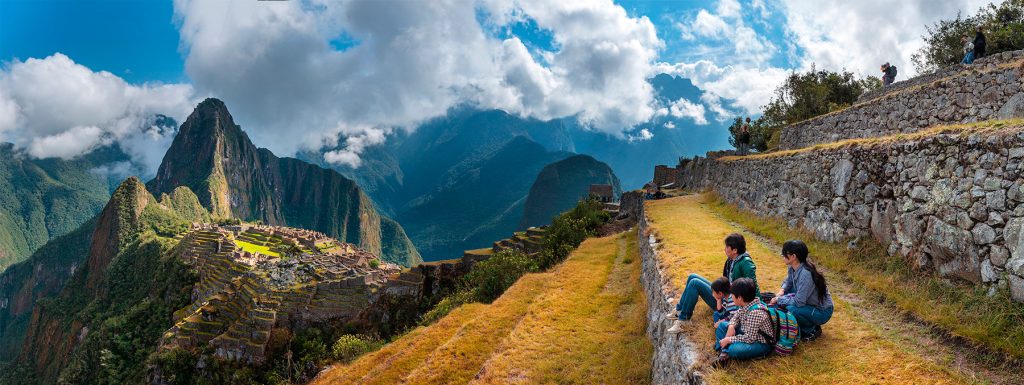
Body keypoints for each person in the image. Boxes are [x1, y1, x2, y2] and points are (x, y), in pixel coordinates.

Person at [667, 233, 759, 333]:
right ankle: (680, 310)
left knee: (694, 283)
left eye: (727, 247)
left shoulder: (745, 263)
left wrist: (756, 307)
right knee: (692, 276)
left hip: (729, 302)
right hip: (725, 294)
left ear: (735, 250)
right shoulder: (733, 259)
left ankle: (684, 320)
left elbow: (752, 286)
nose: (725, 249)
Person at [770, 240, 834, 341]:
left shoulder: (805, 274)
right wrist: (782, 290)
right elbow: (789, 281)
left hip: (822, 311)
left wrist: (779, 299)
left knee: (792, 309)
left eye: (784, 254)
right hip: (810, 303)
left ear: (793, 257)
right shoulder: (793, 267)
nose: (782, 256)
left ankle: (811, 329)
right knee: (787, 297)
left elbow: (799, 302)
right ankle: (804, 323)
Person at [712, 278, 774, 366]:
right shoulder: (745, 303)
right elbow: (736, 316)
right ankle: (724, 352)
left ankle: (725, 350)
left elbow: (750, 338)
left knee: (734, 349)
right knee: (722, 325)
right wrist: (731, 326)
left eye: (732, 295)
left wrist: (729, 339)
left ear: (740, 297)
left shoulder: (755, 313)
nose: (731, 297)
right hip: (747, 331)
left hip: (760, 343)